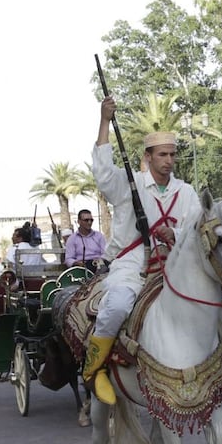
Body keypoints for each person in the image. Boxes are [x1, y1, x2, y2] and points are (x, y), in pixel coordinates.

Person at [83, 97, 202, 405]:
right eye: (162, 154)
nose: (169, 160)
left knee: (220, 303)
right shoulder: (129, 184)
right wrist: (105, 122)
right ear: (147, 157)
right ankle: (95, 369)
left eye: (173, 154)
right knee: (119, 305)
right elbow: (102, 173)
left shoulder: (186, 192)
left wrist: (173, 233)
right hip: (132, 266)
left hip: (174, 269)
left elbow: (195, 230)